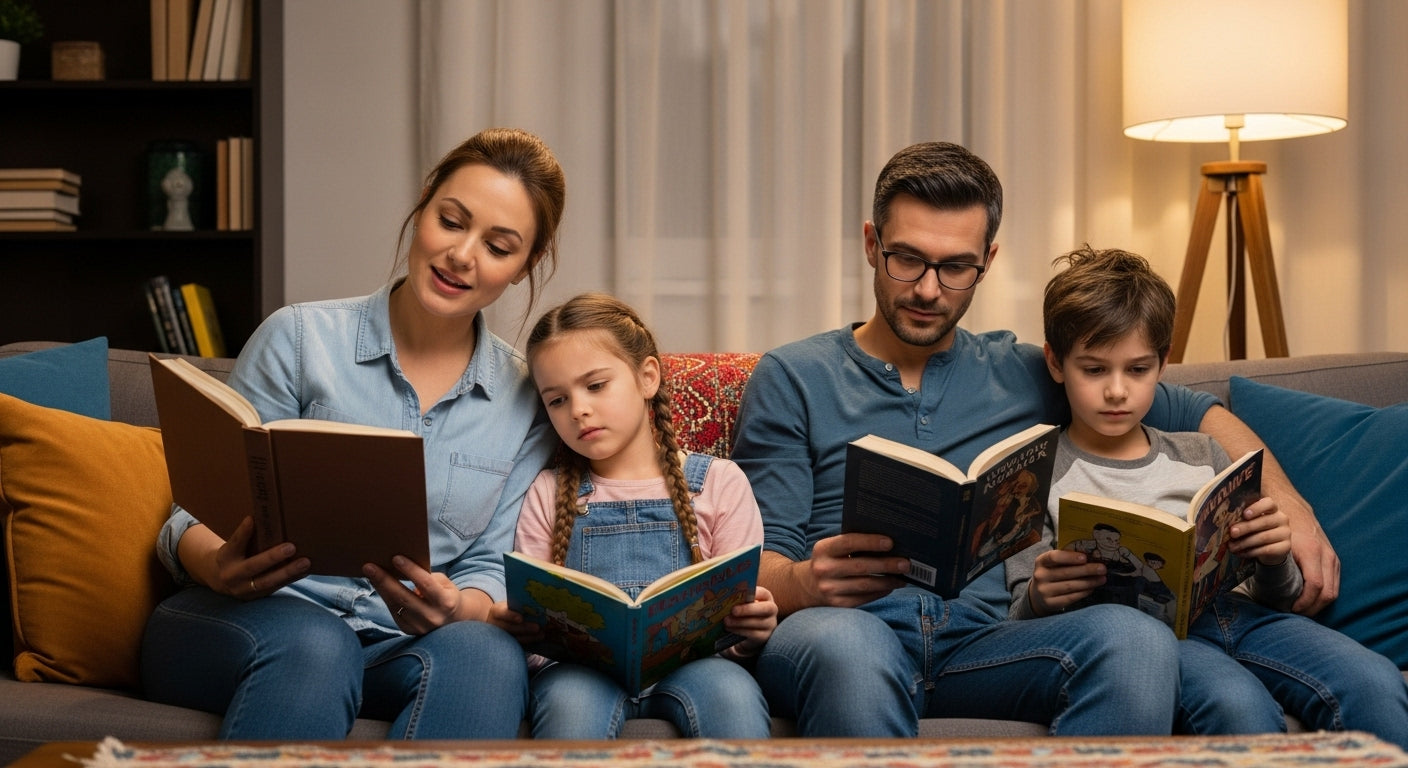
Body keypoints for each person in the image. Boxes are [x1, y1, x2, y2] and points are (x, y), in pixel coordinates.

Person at [729, 140, 1338, 737]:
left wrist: (1290, 502)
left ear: (987, 261)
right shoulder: (793, 376)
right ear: (871, 244)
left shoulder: (1021, 369)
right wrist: (805, 583)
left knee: (1134, 638)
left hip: (985, 637)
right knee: (849, 649)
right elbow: (761, 559)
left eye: (956, 267)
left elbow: (1191, 405)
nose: (927, 289)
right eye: (907, 259)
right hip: (839, 628)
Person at [140, 127, 567, 739]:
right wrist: (216, 565)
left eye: (498, 246)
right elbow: (193, 512)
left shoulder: (526, 399)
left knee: (487, 655)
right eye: (451, 221)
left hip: (397, 645)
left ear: (524, 266)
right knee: (317, 645)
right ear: (423, 206)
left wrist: (459, 607)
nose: (462, 255)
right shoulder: (299, 339)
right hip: (244, 621)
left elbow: (492, 565)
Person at [1007, 244, 1408, 747]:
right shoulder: (1038, 474)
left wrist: (1273, 556)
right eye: (1094, 370)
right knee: (1236, 706)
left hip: (1247, 618)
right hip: (1156, 642)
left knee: (1373, 681)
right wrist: (1041, 598)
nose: (1117, 391)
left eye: (1137, 369)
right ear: (1056, 363)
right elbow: (1018, 611)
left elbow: (1277, 594)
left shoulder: (1204, 452)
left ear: (1163, 362)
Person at [489, 292, 777, 739]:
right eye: (557, 400)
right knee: (568, 708)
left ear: (647, 377)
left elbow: (739, 616)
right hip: (578, 673)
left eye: (596, 385)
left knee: (732, 697)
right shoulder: (547, 492)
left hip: (700, 667)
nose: (578, 409)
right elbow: (535, 627)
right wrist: (526, 634)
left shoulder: (720, 482)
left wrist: (753, 629)